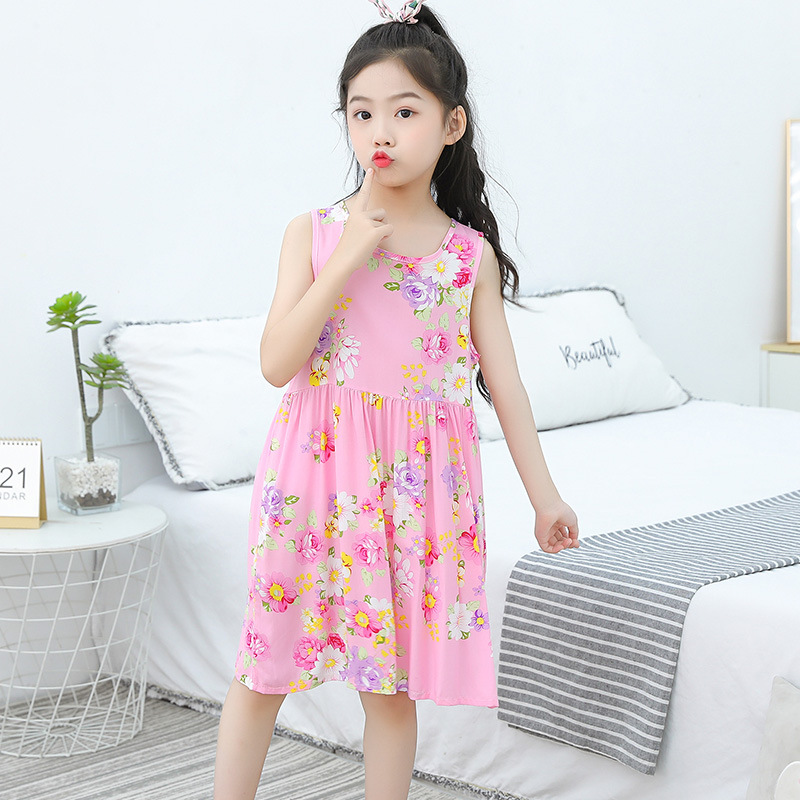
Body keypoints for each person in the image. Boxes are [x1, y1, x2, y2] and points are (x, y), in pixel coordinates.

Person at [213, 2, 579, 798]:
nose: (380, 131)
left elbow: (505, 386)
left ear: (452, 124)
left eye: (404, 112)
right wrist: (349, 255)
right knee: (265, 666)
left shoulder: (467, 257)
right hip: (312, 483)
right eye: (362, 112)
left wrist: (545, 497)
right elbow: (277, 363)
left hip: (414, 498)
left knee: (389, 689)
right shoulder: (312, 233)